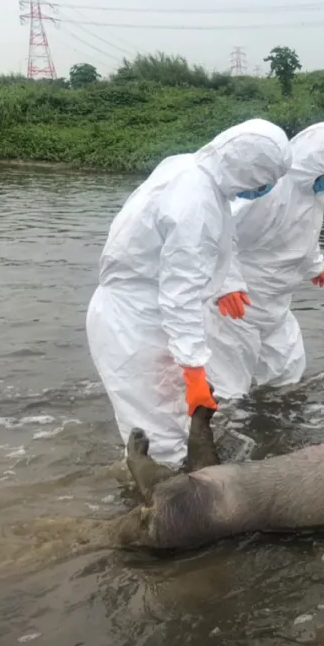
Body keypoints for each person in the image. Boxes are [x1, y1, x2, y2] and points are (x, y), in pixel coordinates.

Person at [86, 119, 292, 466]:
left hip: (142, 312)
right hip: (136, 323)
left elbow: (201, 247)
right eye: (265, 181)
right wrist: (195, 371)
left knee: (170, 427)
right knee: (161, 445)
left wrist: (224, 282)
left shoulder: (189, 168)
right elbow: (179, 296)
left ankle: (150, 498)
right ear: (247, 169)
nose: (265, 190)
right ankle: (150, 514)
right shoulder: (196, 202)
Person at [205, 122, 324, 397]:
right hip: (238, 307)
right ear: (317, 163)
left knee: (287, 375)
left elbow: (305, 235)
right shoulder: (267, 192)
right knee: (229, 390)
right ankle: (216, 434)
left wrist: (315, 265)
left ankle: (273, 428)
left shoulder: (313, 193)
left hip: (275, 305)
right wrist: (226, 284)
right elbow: (216, 233)